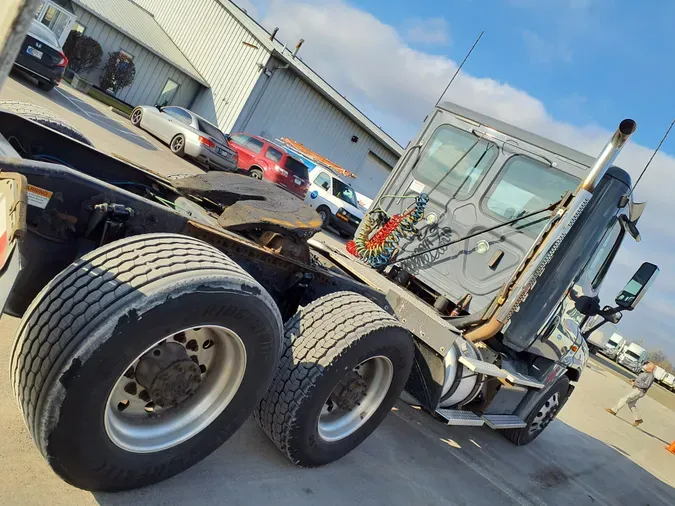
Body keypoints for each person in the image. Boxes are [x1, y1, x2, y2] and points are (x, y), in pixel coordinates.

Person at [605, 362, 656, 427]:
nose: (645, 366)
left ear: (650, 368)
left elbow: (646, 385)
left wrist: (635, 384)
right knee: (631, 404)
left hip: (639, 391)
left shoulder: (650, 376)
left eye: (647, 365)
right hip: (638, 390)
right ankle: (638, 419)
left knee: (624, 399)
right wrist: (634, 380)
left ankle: (614, 410)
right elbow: (641, 381)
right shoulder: (646, 373)